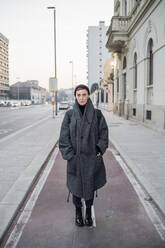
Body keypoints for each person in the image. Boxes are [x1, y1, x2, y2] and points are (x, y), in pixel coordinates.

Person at [59, 84, 108, 227]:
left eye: (84, 94)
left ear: (88, 96)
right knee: (75, 188)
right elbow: (63, 137)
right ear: (75, 96)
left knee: (89, 188)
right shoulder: (69, 115)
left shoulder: (97, 114)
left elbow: (104, 134)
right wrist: (69, 155)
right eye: (79, 95)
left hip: (91, 159)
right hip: (75, 159)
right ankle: (78, 214)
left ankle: (88, 215)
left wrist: (99, 150)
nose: (81, 98)